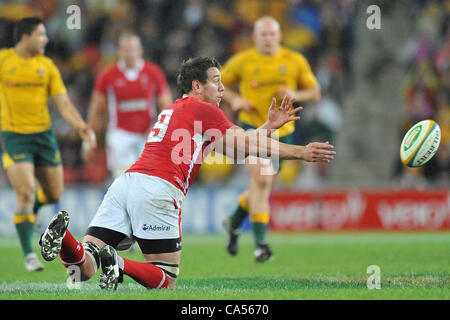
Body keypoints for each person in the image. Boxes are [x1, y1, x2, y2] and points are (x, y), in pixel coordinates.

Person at [38, 57, 334, 290]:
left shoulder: (176, 109)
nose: (222, 88)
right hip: (159, 189)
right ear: (197, 85)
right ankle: (118, 263)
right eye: (216, 81)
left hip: (126, 184)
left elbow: (237, 150)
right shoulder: (205, 110)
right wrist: (302, 152)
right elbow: (244, 144)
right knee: (166, 278)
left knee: (82, 269)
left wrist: (268, 127)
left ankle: (64, 238)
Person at [221, 16, 321, 262]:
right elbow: (218, 83)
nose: (267, 38)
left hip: (282, 133)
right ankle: (261, 245)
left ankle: (233, 223)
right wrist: (234, 100)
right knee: (263, 182)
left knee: (259, 188)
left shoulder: (294, 60)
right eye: (262, 34)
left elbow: (315, 92)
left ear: (279, 36)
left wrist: (295, 93)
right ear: (254, 38)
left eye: (271, 34)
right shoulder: (243, 61)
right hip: (251, 129)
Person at [0, 17, 96, 272]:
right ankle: (29, 254)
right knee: (26, 191)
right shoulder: (4, 61)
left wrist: (81, 126)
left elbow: (63, 103)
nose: (45, 39)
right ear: (25, 37)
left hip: (43, 136)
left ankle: (31, 210)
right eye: (41, 35)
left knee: (53, 194)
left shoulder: (47, 66)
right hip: (14, 136)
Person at [82, 32, 172, 179]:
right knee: (124, 180)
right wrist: (87, 143)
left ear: (140, 50)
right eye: (126, 49)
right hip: (119, 135)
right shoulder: (107, 76)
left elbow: (167, 107)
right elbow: (95, 110)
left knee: (147, 180)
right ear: (119, 51)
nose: (130, 53)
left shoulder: (153, 73)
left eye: (133, 49)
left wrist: (160, 129)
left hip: (147, 134)